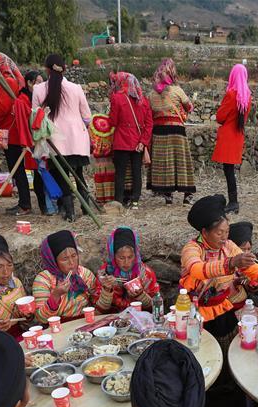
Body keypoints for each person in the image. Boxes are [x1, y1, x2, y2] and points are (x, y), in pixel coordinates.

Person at [180, 194, 258, 347]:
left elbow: (250, 267)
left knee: (226, 344)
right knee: (200, 346)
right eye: (219, 233)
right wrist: (230, 263)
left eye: (227, 232)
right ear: (204, 233)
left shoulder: (229, 246)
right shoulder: (192, 248)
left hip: (222, 307)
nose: (224, 237)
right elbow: (197, 270)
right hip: (195, 310)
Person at [33, 54, 92, 221]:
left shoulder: (38, 89)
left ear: (46, 69)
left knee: (62, 177)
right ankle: (86, 209)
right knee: (79, 175)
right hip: (77, 139)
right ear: (64, 69)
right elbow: (87, 117)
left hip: (54, 140)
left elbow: (35, 117)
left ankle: (70, 213)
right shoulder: (76, 88)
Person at [0, 52, 33, 216]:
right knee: (17, 169)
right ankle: (24, 202)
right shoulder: (8, 81)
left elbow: (2, 108)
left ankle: (25, 204)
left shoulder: (7, 81)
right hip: (11, 131)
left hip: (11, 133)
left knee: (17, 169)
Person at [146, 58, 196, 205]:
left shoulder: (151, 94)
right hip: (176, 131)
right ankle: (187, 195)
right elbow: (189, 107)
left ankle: (168, 195)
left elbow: (149, 113)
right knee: (181, 162)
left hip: (158, 131)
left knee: (164, 163)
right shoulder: (177, 90)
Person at [32, 230, 99, 323]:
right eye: (65, 259)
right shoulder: (43, 280)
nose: (72, 263)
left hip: (86, 323)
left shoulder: (85, 274)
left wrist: (107, 290)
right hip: (59, 328)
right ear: (53, 261)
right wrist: (55, 295)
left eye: (74, 255)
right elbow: (42, 319)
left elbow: (100, 308)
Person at [212, 64, 252, 214]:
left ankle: (233, 202)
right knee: (230, 169)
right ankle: (233, 201)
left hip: (228, 136)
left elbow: (220, 116)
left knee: (228, 170)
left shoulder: (231, 95)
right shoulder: (247, 96)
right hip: (237, 135)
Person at [109, 72, 152, 208]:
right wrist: (143, 141)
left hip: (122, 139)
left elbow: (113, 121)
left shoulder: (117, 98)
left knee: (120, 173)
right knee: (136, 172)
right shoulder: (143, 100)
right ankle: (135, 200)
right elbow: (149, 123)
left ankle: (119, 201)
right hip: (138, 141)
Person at [97, 227, 160, 313]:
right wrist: (107, 290)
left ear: (136, 255)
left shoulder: (145, 274)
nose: (126, 262)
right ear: (113, 256)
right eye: (121, 258)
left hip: (141, 321)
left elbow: (156, 308)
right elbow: (98, 312)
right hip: (111, 322)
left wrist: (141, 295)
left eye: (130, 257)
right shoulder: (104, 274)